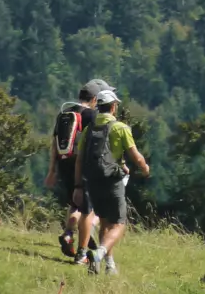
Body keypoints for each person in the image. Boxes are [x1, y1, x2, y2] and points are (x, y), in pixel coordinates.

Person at [74, 89, 150, 275]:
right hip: (112, 181)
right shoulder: (120, 128)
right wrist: (145, 169)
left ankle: (108, 265)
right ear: (114, 106)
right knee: (119, 224)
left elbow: (79, 159)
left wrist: (77, 185)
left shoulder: (88, 130)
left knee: (105, 223)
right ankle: (100, 253)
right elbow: (136, 156)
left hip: (92, 181)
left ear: (98, 106)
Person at [45, 79, 112, 264]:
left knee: (75, 202)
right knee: (89, 208)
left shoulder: (65, 113)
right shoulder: (91, 115)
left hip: (63, 161)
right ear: (95, 99)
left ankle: (68, 234)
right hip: (82, 164)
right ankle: (82, 248)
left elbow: (54, 144)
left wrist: (52, 170)